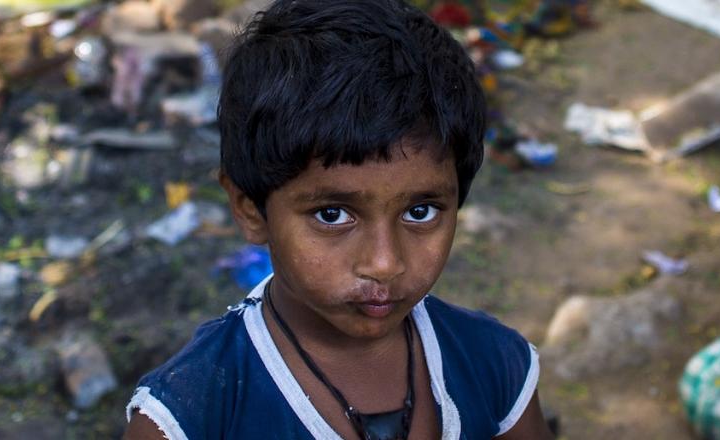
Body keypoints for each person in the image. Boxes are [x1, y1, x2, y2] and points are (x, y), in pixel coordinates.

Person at [123, 1, 552, 438]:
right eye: (333, 215)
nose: (385, 263)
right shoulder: (191, 417)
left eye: (419, 211)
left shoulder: (496, 366)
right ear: (250, 209)